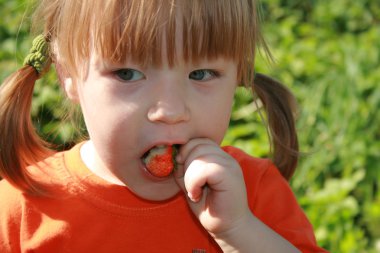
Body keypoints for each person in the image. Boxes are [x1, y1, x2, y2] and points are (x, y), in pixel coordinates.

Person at [0, 0, 327, 252]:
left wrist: (238, 231)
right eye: (127, 73)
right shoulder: (21, 211)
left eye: (201, 74)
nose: (170, 111)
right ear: (67, 73)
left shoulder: (254, 196)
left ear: (238, 74)